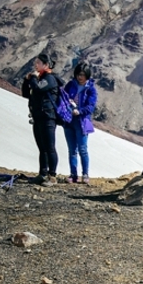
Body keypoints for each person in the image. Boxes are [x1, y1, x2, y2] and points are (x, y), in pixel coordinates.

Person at [21, 53, 61, 186]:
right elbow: (26, 93)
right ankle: (42, 173)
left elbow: (37, 88)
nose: (35, 65)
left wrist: (32, 78)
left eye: (38, 63)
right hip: (38, 117)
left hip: (48, 118)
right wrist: (27, 81)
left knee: (50, 147)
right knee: (42, 147)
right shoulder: (40, 78)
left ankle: (52, 176)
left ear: (46, 65)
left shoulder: (49, 79)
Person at [62, 61, 98, 184]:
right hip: (69, 121)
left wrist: (80, 111)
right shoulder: (70, 85)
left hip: (82, 122)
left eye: (82, 74)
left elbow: (91, 106)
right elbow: (63, 98)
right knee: (72, 150)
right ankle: (73, 174)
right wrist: (68, 106)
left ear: (87, 75)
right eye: (78, 74)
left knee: (82, 149)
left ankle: (85, 174)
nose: (80, 77)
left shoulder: (91, 90)